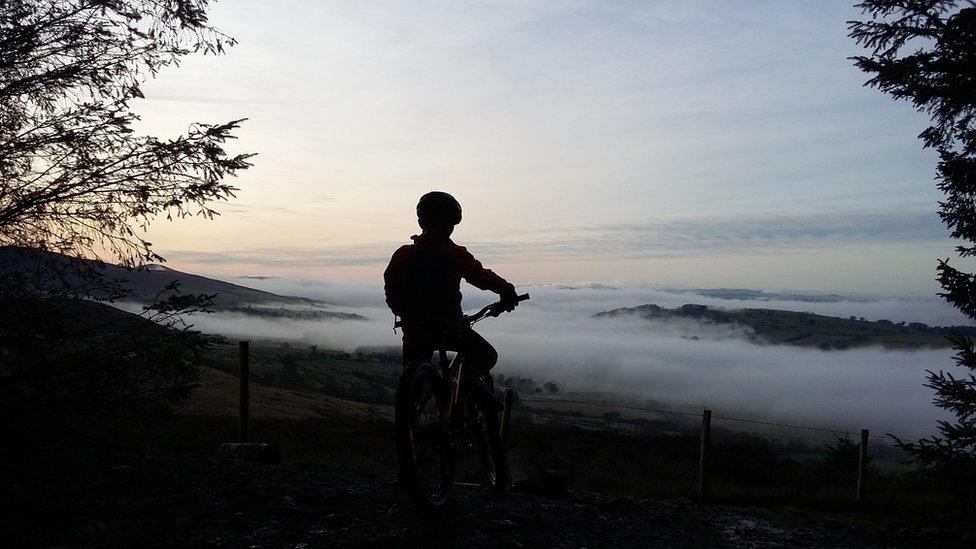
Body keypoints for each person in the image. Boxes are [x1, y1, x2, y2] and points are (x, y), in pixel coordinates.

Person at [384, 191, 519, 375]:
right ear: (450, 225)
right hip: (449, 329)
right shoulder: (455, 254)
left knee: (412, 380)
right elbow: (481, 277)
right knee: (487, 356)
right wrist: (507, 290)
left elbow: (391, 285)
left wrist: (401, 311)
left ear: (421, 222)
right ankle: (460, 386)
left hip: (414, 332)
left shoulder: (403, 255)